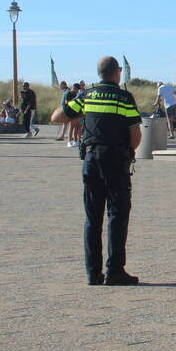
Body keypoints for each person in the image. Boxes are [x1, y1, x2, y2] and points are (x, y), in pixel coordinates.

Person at [51, 56, 142, 286]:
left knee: (92, 218)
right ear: (116, 73)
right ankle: (115, 271)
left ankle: (92, 272)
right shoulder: (124, 97)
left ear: (99, 73)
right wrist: (127, 154)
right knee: (117, 215)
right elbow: (136, 135)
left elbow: (56, 117)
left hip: (91, 159)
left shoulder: (87, 96)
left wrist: (83, 112)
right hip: (115, 160)